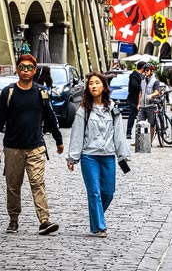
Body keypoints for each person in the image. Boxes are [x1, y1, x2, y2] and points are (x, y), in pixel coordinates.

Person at [0, 53, 63, 235]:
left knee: (38, 183)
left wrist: (58, 140)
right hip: (13, 148)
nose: (25, 71)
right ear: (17, 69)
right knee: (13, 186)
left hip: (36, 147)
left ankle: (44, 220)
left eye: (29, 67)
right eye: (22, 67)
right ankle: (13, 219)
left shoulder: (41, 92)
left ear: (34, 70)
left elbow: (50, 117)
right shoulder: (9, 92)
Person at [66, 72, 131, 237]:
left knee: (108, 192)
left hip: (108, 155)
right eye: (91, 83)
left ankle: (96, 216)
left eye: (97, 83)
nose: (93, 86)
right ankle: (100, 227)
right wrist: (73, 158)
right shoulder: (84, 109)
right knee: (94, 192)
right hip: (89, 156)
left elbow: (119, 132)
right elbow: (77, 133)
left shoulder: (112, 107)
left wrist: (122, 154)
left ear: (104, 86)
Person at [136, 63, 163, 144]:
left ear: (151, 71)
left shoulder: (155, 81)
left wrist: (151, 95)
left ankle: (149, 142)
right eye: (145, 70)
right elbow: (140, 92)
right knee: (139, 123)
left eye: (147, 70)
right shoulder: (143, 80)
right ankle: (138, 141)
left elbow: (157, 92)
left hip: (151, 106)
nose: (145, 72)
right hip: (143, 106)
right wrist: (139, 103)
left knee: (151, 124)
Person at [126, 61, 144, 139]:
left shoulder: (141, 76)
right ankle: (128, 132)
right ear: (142, 67)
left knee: (140, 116)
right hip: (134, 99)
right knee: (132, 116)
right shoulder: (134, 75)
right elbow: (134, 86)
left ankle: (140, 132)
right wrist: (141, 86)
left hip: (140, 99)